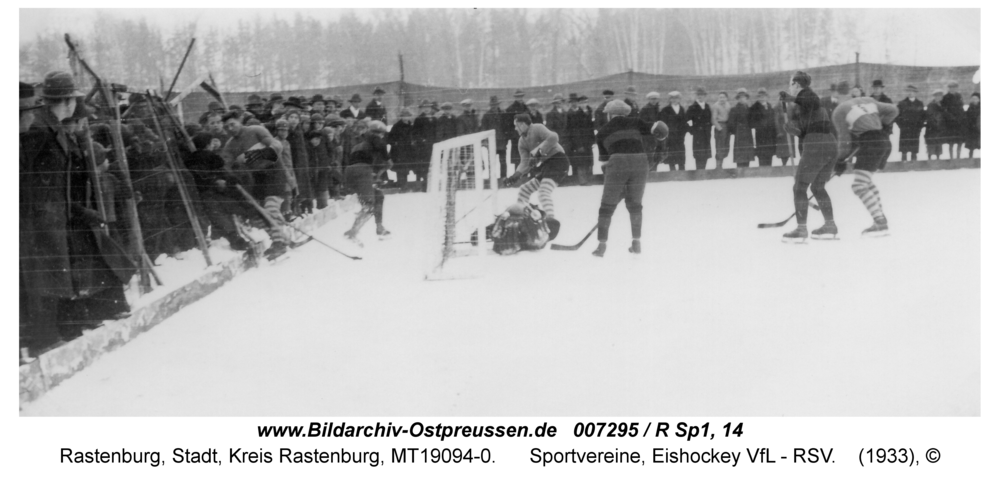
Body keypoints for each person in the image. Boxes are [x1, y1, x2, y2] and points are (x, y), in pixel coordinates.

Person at [21, 72, 134, 355]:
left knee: (51, 278)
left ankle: (54, 334)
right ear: (69, 101)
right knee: (42, 279)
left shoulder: (52, 129)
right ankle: (41, 341)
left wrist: (76, 210)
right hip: (37, 219)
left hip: (54, 217)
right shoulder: (39, 131)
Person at [591, 100, 667, 257]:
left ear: (610, 114)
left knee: (606, 206)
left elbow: (605, 163)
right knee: (635, 205)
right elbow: (658, 130)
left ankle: (601, 245)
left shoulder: (602, 131)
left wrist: (616, 185)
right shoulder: (636, 122)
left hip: (617, 163)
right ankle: (636, 242)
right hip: (641, 162)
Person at [219, 111, 290, 260]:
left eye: (233, 124)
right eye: (226, 127)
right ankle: (279, 240)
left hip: (273, 173)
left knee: (270, 208)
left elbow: (276, 146)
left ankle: (279, 243)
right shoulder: (230, 145)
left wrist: (249, 156)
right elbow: (226, 164)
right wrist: (228, 175)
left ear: (240, 121)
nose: (230, 128)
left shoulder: (256, 130)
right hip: (255, 179)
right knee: (259, 215)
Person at [832, 83, 899, 238]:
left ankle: (879, 221)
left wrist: (840, 160)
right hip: (883, 142)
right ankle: (880, 219)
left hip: (871, 144)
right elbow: (894, 110)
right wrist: (883, 124)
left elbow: (844, 141)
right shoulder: (868, 100)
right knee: (866, 182)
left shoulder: (838, 111)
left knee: (858, 186)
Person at [780, 72, 838, 244]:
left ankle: (801, 229)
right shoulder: (805, 105)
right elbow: (809, 130)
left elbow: (811, 100)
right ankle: (830, 225)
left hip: (817, 145)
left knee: (799, 188)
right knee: (818, 187)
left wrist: (790, 98)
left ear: (797, 85)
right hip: (829, 145)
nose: (790, 87)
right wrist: (795, 131)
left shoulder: (807, 95)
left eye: (791, 84)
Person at [503, 114, 569, 240]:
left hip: (558, 161)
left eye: (516, 126)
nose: (515, 129)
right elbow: (525, 162)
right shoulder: (522, 141)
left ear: (522, 124)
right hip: (546, 166)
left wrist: (538, 153)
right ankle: (520, 220)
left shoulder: (537, 128)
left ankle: (551, 223)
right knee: (524, 189)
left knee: (543, 193)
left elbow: (553, 137)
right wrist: (516, 175)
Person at [343, 120, 392, 245]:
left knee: (378, 196)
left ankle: (379, 227)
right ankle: (353, 232)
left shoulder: (360, 144)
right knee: (369, 205)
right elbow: (387, 163)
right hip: (363, 171)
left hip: (351, 172)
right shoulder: (377, 141)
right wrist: (386, 165)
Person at [565, 93, 595, 185]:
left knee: (590, 160)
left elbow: (591, 128)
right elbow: (575, 131)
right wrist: (579, 144)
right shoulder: (576, 114)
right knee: (581, 161)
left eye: (585, 102)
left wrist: (593, 140)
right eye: (581, 102)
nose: (583, 104)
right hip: (580, 142)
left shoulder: (589, 112)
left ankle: (589, 179)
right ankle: (582, 180)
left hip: (588, 142)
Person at [480, 96, 510, 178]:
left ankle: (504, 179)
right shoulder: (486, 116)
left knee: (503, 161)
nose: (494, 106)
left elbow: (507, 127)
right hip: (491, 143)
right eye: (492, 105)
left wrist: (506, 139)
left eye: (495, 104)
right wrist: (485, 141)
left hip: (502, 143)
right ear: (490, 105)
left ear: (498, 105)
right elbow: (484, 129)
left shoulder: (503, 114)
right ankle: (492, 179)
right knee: (492, 162)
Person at [387, 109, 417, 187]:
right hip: (399, 152)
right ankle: (400, 185)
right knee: (400, 169)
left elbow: (414, 136)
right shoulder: (396, 126)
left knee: (406, 168)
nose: (405, 118)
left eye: (407, 116)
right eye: (403, 116)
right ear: (401, 117)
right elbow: (390, 138)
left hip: (408, 151)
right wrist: (396, 143)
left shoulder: (411, 126)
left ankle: (405, 185)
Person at [895, 85, 925, 161]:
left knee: (914, 148)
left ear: (915, 93)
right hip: (905, 129)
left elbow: (923, 116)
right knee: (904, 148)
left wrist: (920, 126)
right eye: (909, 91)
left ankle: (914, 163)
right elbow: (897, 116)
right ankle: (903, 163)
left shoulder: (919, 104)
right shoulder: (901, 103)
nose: (910, 93)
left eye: (912, 91)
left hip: (915, 129)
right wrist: (901, 126)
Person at [658, 91, 687, 170]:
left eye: (676, 98)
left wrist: (683, 133)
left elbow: (684, 122)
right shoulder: (665, 110)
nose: (674, 100)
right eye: (672, 98)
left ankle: (682, 171)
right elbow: (663, 123)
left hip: (680, 137)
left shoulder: (682, 109)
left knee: (681, 155)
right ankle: (672, 173)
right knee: (672, 156)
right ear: (670, 99)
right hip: (670, 137)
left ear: (679, 99)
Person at [411, 100, 437, 188]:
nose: (426, 109)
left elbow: (437, 133)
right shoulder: (418, 119)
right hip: (421, 147)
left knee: (431, 165)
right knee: (421, 165)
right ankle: (419, 183)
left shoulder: (434, 119)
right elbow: (415, 133)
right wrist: (422, 140)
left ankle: (428, 183)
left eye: (428, 107)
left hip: (432, 146)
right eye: (424, 107)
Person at [749, 88, 777, 167]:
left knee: (770, 156)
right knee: (762, 157)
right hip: (761, 137)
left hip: (770, 137)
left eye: (763, 96)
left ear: (767, 97)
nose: (762, 98)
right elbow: (751, 123)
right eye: (760, 96)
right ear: (757, 97)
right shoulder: (754, 108)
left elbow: (773, 121)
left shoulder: (770, 107)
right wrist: (761, 125)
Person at [688, 87, 714, 169]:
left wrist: (709, 128)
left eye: (702, 95)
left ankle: (703, 172)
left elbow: (710, 119)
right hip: (698, 135)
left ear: (705, 96)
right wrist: (692, 130)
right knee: (698, 155)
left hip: (706, 134)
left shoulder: (707, 106)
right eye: (698, 95)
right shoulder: (692, 107)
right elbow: (685, 121)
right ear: (696, 96)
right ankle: (699, 172)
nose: (700, 97)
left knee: (706, 154)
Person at [730, 88, 755, 168]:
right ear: (738, 99)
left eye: (744, 97)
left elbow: (752, 122)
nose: (742, 99)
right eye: (740, 97)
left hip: (748, 134)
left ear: (746, 98)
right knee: (740, 157)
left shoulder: (749, 109)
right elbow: (731, 124)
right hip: (739, 135)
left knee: (747, 156)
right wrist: (737, 131)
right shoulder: (734, 109)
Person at [941, 81, 965, 159]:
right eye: (951, 87)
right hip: (950, 123)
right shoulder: (945, 97)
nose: (953, 89)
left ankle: (958, 157)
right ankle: (951, 158)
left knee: (959, 142)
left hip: (959, 123)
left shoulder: (959, 96)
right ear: (949, 88)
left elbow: (961, 108)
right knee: (951, 142)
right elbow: (944, 110)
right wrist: (951, 118)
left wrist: (961, 118)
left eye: (954, 87)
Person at [711, 91, 731, 169]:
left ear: (726, 98)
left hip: (727, 126)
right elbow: (713, 119)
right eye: (720, 97)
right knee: (719, 146)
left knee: (726, 146)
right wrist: (719, 128)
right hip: (720, 126)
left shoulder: (728, 105)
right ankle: (718, 166)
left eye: (723, 97)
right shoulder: (715, 106)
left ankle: (722, 164)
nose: (722, 99)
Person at [924, 90, 946, 160]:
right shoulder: (931, 105)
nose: (939, 98)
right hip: (932, 129)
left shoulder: (943, 105)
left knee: (939, 145)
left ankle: (938, 159)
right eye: (937, 96)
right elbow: (929, 116)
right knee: (931, 145)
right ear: (935, 97)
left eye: (940, 96)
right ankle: (929, 159)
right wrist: (934, 124)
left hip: (940, 129)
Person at [965, 92, 980, 157]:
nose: (974, 100)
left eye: (976, 99)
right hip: (971, 130)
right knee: (971, 146)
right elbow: (967, 118)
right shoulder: (970, 108)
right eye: (973, 99)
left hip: (979, 129)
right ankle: (970, 158)